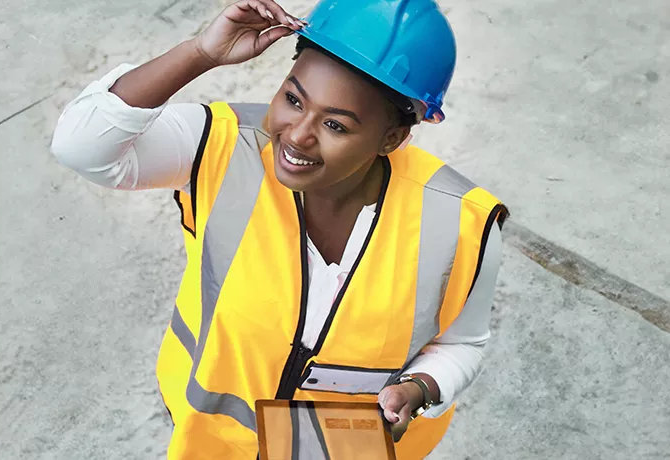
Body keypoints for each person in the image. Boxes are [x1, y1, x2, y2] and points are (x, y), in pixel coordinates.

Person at [51, 0, 508, 458]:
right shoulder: (222, 148)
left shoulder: (461, 221)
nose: (296, 135)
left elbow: (462, 344)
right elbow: (82, 147)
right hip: (218, 445)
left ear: (391, 139)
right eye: (293, 99)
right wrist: (200, 54)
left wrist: (422, 388)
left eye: (335, 124)